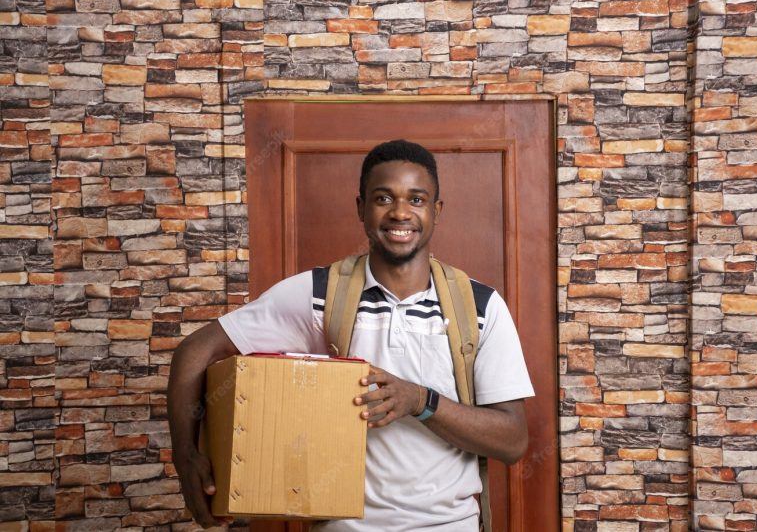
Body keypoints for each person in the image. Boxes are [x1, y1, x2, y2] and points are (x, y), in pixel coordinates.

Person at [167, 139, 534, 531]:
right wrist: (186, 457)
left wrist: (420, 401)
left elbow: (512, 441)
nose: (400, 213)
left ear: (436, 211)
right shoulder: (319, 295)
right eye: (383, 198)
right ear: (360, 207)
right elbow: (196, 350)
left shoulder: (479, 306)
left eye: (416, 199)